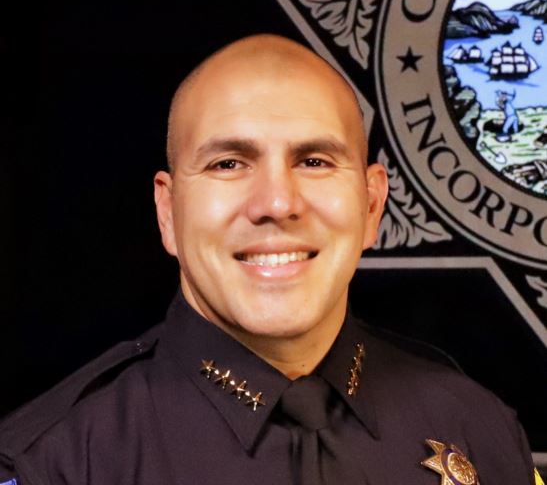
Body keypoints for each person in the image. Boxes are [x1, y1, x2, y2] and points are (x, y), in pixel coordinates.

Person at [0, 35, 538, 484]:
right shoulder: (54, 462)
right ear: (168, 212)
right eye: (229, 163)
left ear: (372, 205)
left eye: (314, 161)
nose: (277, 203)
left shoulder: (480, 428)